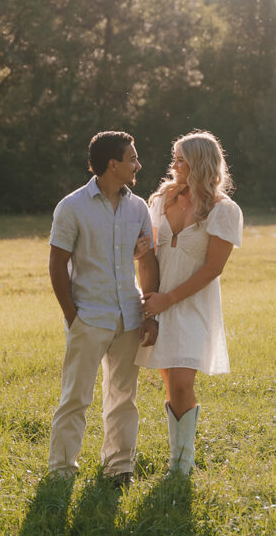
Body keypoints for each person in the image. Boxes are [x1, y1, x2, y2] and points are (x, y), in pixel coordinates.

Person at [47, 131, 159, 487]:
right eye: (132, 159)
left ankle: (118, 470)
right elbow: (57, 264)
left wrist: (150, 314)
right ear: (113, 164)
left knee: (124, 398)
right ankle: (62, 473)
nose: (138, 165)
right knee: (75, 399)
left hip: (128, 317)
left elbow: (147, 262)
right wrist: (72, 317)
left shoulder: (138, 207)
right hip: (88, 318)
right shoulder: (72, 207)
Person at [135, 130, 243, 474]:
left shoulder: (224, 210)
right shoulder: (160, 200)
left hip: (193, 304)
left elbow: (214, 267)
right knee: (171, 383)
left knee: (183, 382)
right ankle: (178, 459)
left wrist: (169, 299)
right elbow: (149, 255)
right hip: (159, 303)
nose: (174, 164)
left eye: (181, 159)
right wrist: (151, 306)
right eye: (175, 158)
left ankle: (183, 462)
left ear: (199, 163)